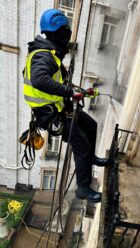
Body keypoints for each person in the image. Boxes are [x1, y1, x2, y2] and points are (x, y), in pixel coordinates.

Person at [23, 9, 108, 203]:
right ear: (61, 32)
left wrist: (78, 91)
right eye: (66, 33)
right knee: (81, 145)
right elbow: (39, 80)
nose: (68, 38)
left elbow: (54, 83)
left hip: (59, 108)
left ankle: (91, 159)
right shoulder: (43, 56)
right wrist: (70, 93)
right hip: (50, 114)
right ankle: (83, 189)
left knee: (91, 125)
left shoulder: (50, 54)